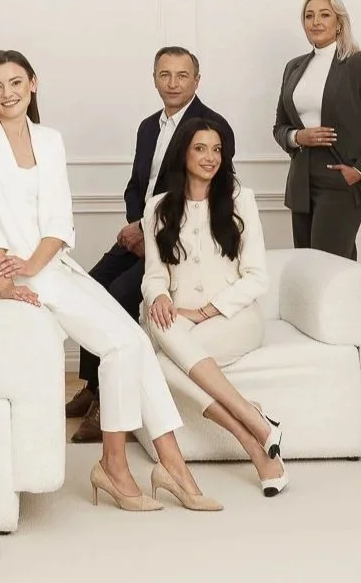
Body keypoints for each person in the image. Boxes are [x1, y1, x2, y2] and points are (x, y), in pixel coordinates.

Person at [0, 50, 219, 512]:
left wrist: (37, 264)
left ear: (33, 84)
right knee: (121, 343)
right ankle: (128, 468)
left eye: (16, 83)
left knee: (131, 339)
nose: (7, 94)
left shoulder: (50, 139)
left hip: (49, 264)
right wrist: (5, 280)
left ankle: (165, 463)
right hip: (10, 268)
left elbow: (60, 217)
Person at [66, 46, 235, 443]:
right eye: (165, 75)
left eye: (181, 75)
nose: (173, 83)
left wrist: (150, 232)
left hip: (178, 244)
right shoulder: (148, 127)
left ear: (197, 79)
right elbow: (136, 186)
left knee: (122, 295)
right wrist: (134, 224)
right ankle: (92, 384)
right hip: (140, 232)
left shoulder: (212, 126)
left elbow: (210, 194)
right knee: (88, 289)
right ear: (154, 78)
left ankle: (110, 403)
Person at [141, 118, 286, 496]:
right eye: (200, 148)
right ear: (183, 153)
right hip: (177, 322)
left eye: (217, 149)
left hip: (234, 318)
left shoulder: (241, 200)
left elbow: (257, 277)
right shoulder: (157, 208)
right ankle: (255, 433)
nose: (210, 157)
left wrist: (205, 311)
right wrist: (159, 296)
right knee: (159, 334)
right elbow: (154, 275)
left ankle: (256, 432)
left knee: (160, 359)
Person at [272, 0, 361, 260]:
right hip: (301, 182)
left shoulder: (359, 64)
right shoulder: (293, 67)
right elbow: (280, 127)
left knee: (327, 267)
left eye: (324, 14)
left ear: (339, 23)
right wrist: (298, 137)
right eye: (309, 16)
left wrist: (360, 171)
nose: (315, 22)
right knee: (306, 269)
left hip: (340, 181)